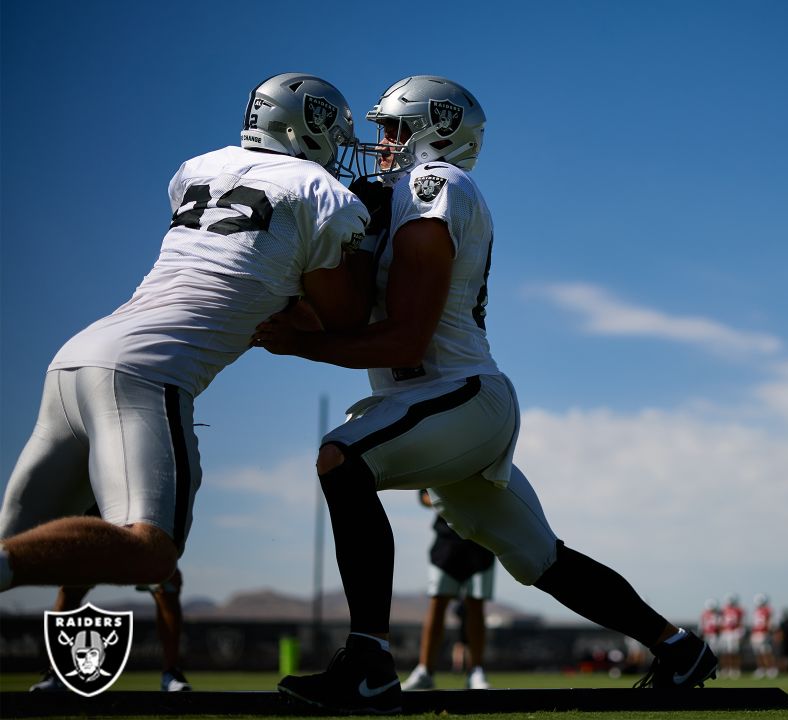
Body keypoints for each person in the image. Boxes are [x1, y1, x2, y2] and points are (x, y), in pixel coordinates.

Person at [255, 75, 718, 714]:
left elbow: (404, 343)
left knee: (343, 458)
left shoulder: (435, 186)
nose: (380, 144)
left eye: (392, 129)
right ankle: (679, 648)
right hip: (446, 405)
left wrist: (295, 339)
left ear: (435, 129)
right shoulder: (406, 197)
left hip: (457, 394)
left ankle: (368, 663)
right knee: (543, 560)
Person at [0, 73, 370, 596]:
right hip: (145, 371)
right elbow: (345, 319)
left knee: (12, 543)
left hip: (73, 360)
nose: (341, 149)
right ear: (304, 126)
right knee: (149, 550)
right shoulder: (320, 194)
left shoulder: (199, 169)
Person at [30, 568, 192, 692]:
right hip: (102, 527)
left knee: (167, 582)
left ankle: (171, 672)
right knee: (71, 582)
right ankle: (57, 673)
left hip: (140, 527)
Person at [403, 491, 494, 690]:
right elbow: (424, 495)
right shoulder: (438, 459)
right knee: (437, 603)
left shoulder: (486, 458)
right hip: (446, 541)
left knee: (476, 604)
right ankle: (424, 671)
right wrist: (447, 500)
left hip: (481, 538)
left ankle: (476, 671)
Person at [750, 593, 777, 678]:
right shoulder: (756, 611)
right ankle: (761, 668)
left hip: (763, 632)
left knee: (766, 652)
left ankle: (770, 669)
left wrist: (770, 632)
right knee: (758, 653)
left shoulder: (767, 610)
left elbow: (770, 623)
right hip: (756, 632)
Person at [719, 593, 745, 678]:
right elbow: (721, 621)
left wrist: (740, 632)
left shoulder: (739, 610)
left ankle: (735, 669)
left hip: (734, 631)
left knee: (734, 652)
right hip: (725, 632)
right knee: (725, 652)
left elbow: (741, 622)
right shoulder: (723, 610)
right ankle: (726, 669)